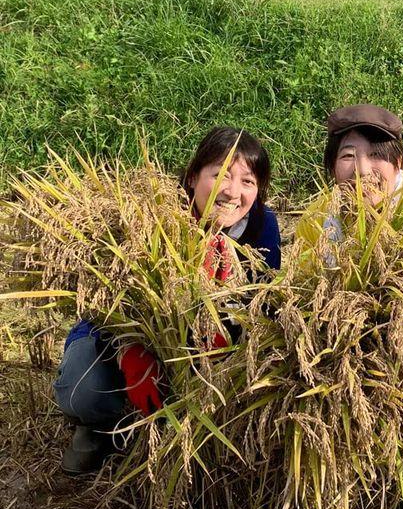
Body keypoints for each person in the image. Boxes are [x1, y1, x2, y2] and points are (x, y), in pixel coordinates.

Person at [53, 127, 281, 475]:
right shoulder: (154, 217)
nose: (233, 192)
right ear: (192, 178)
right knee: (83, 390)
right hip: (125, 337)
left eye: (247, 181)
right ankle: (97, 427)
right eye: (220, 174)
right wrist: (128, 349)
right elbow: (105, 299)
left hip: (201, 346)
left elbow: (264, 298)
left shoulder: (262, 226)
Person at [296, 104, 403, 250]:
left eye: (376, 154)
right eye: (348, 156)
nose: (363, 171)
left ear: (398, 163)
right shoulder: (315, 220)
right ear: (332, 166)